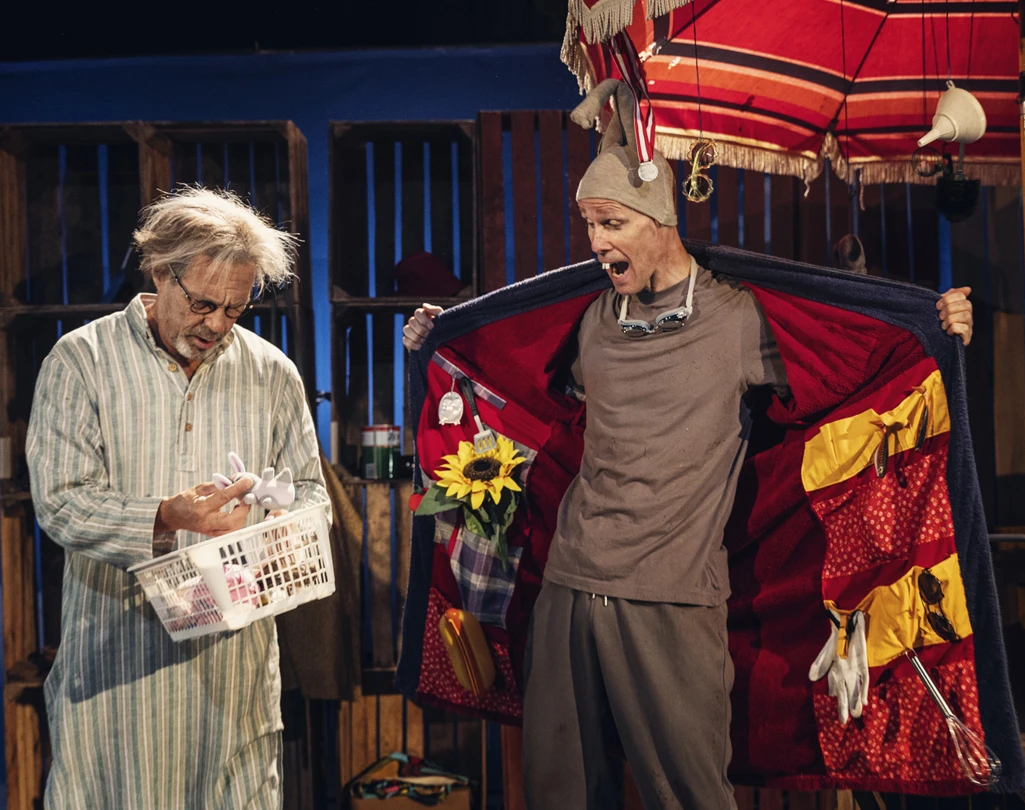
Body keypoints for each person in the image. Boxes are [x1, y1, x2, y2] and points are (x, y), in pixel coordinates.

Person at [400, 85, 975, 810]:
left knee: (691, 795)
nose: (596, 242)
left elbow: (849, 360)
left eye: (611, 223)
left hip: (672, 599)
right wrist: (442, 336)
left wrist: (932, 325)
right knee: (559, 792)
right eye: (589, 225)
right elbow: (507, 364)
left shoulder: (738, 318)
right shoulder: (591, 319)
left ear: (660, 220)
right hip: (570, 589)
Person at [26, 187, 330, 810]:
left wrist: (278, 528)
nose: (217, 324)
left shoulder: (272, 373)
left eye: (235, 309)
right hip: (117, 670)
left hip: (233, 679)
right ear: (161, 272)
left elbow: (310, 496)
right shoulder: (81, 362)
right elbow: (61, 502)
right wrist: (166, 518)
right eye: (203, 304)